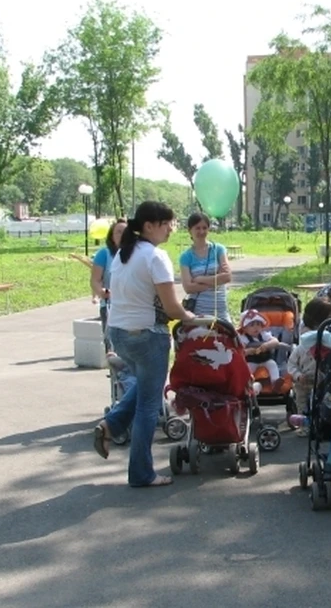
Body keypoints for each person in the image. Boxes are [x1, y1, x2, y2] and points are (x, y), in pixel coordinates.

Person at [92, 201, 194, 488]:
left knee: (144, 386)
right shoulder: (155, 256)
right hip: (147, 335)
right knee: (149, 405)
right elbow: (172, 308)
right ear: (149, 225)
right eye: (167, 224)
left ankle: (111, 425)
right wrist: (192, 318)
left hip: (119, 334)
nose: (171, 229)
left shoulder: (124, 253)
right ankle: (141, 473)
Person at [286, 296, 331, 437]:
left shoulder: (327, 344)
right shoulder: (301, 348)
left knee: (319, 404)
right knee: (302, 405)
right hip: (303, 382)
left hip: (320, 381)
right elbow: (292, 364)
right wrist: (298, 375)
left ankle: (318, 425)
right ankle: (305, 427)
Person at [179, 212, 232, 321]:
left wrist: (200, 279)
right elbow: (188, 288)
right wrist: (216, 281)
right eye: (197, 228)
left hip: (220, 311)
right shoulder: (186, 256)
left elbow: (227, 277)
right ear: (190, 230)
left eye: (204, 228)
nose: (201, 231)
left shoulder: (219, 250)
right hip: (198, 313)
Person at [90, 219, 127, 352]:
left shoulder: (137, 254)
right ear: (112, 236)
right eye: (118, 232)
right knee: (112, 343)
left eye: (125, 232)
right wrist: (101, 292)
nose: (122, 235)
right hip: (110, 306)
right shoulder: (104, 254)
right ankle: (114, 371)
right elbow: (95, 280)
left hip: (132, 306)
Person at [238, 309, 282, 385]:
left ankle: (275, 382)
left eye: (258, 324)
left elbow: (275, 341)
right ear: (244, 328)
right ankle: (247, 384)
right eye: (252, 325)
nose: (256, 327)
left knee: (272, 364)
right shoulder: (244, 338)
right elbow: (241, 351)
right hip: (251, 361)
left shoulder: (263, 334)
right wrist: (248, 351)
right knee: (247, 368)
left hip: (265, 359)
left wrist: (267, 345)